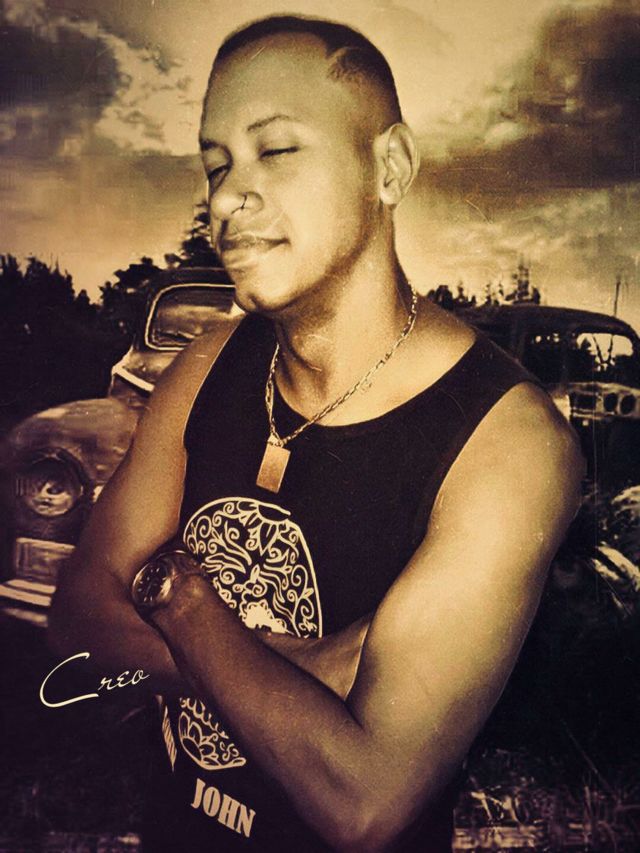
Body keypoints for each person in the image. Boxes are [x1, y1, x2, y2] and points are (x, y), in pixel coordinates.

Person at [49, 14, 584, 852]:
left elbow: (362, 801)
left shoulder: (508, 444)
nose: (225, 198)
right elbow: (77, 615)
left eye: (276, 149)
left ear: (390, 167)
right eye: (216, 164)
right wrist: (295, 663)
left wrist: (180, 599)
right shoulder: (207, 365)